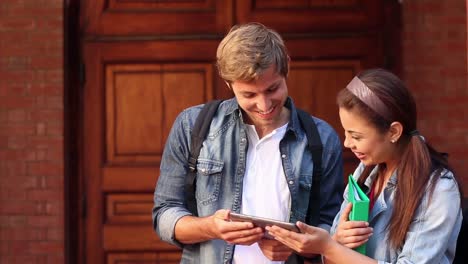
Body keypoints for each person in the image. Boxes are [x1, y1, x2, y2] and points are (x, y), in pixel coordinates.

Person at [152, 22, 344, 263]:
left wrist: (299, 246)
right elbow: (164, 215)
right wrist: (211, 227)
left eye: (272, 89)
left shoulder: (321, 138)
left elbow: (333, 227)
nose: (264, 105)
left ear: (287, 66)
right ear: (228, 83)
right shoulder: (193, 125)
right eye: (249, 95)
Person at [266, 68, 463, 263]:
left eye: (356, 136)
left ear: (394, 132)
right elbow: (334, 252)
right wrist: (337, 241)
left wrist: (329, 247)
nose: (347, 143)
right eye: (346, 133)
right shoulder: (368, 169)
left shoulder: (437, 189)